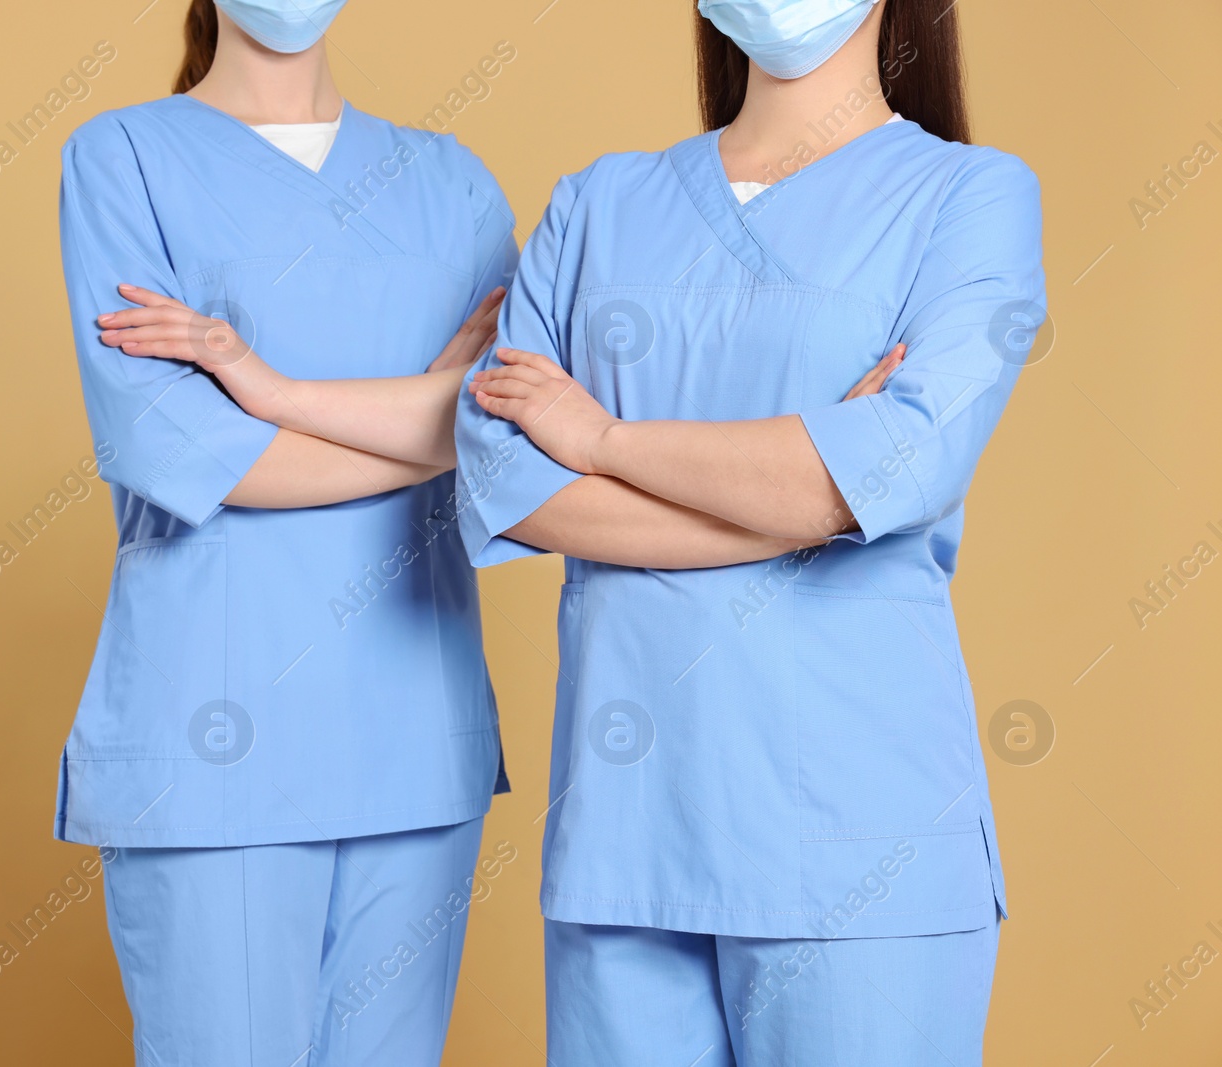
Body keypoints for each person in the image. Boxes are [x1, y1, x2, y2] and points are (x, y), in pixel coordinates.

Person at [454, 0, 1045, 1063]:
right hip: (627, 844)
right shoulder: (597, 204)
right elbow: (510, 482)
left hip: (860, 840)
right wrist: (802, 497)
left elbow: (891, 466)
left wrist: (602, 436)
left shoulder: (970, 196)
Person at [52, 2, 515, 1063]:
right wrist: (434, 421)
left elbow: (520, 433)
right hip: (217, 741)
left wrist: (268, 389)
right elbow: (187, 452)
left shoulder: (453, 186)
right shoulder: (124, 160)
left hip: (414, 735)